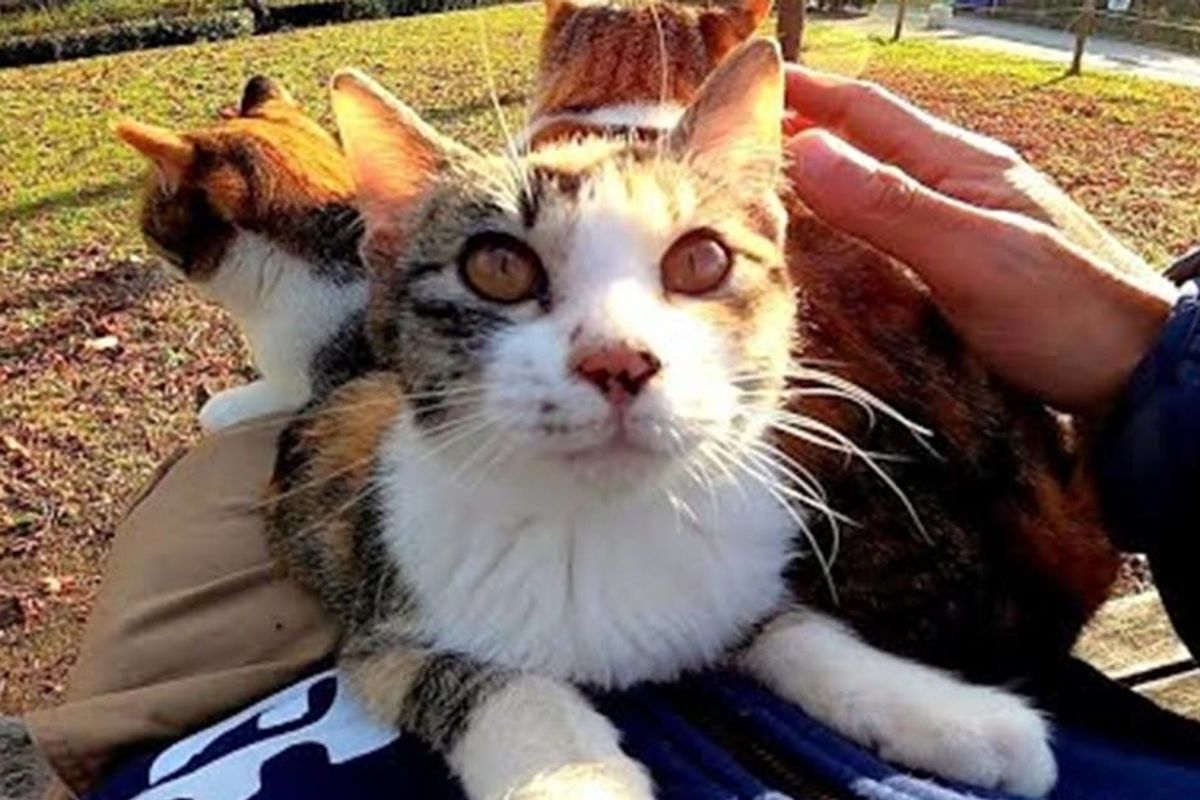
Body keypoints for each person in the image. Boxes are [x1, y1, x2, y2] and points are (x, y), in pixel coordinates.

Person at [21, 66, 1200, 800]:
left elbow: (737, 610)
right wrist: (525, 738)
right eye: (503, 266)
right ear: (390, 260)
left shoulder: (768, 505)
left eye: (696, 263)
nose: (618, 350)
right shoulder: (415, 526)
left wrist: (825, 662)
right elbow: (391, 649)